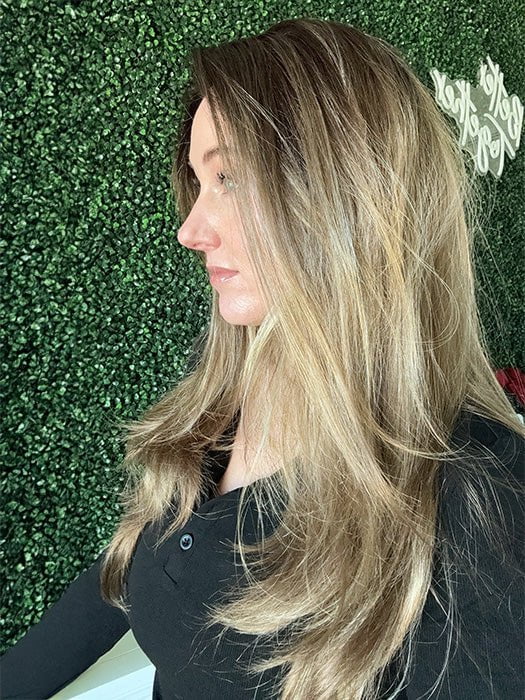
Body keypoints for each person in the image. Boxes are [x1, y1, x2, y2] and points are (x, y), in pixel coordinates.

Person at [2, 16, 524, 700]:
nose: (190, 230)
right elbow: (133, 562)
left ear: (351, 195)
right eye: (199, 183)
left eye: (230, 178)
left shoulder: (485, 517)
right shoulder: (232, 383)